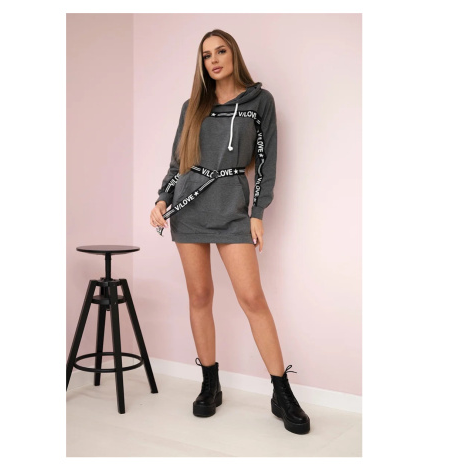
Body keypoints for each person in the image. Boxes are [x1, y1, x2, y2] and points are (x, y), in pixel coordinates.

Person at [150, 29, 310, 435]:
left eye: (220, 51)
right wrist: (162, 199)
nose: (214, 60)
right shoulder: (193, 106)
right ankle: (210, 384)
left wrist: (257, 212)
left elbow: (267, 163)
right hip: (189, 208)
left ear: (233, 54)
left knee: (252, 299)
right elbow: (178, 163)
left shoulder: (259, 101)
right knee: (200, 296)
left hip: (233, 210)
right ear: (202, 64)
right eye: (207, 55)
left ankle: (282, 393)